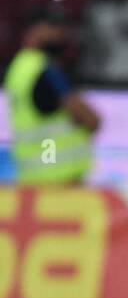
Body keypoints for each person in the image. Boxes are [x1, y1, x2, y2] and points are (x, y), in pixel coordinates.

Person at [3, 10, 100, 185]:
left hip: (31, 176)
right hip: (61, 177)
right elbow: (91, 119)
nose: (61, 33)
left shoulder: (19, 67)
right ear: (33, 31)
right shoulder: (46, 70)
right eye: (53, 27)